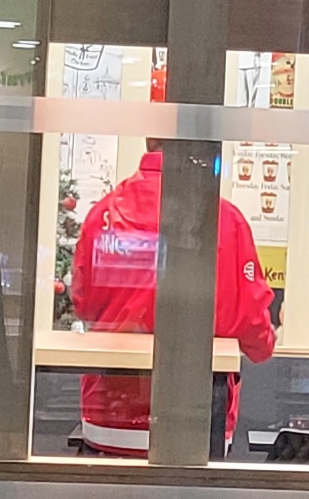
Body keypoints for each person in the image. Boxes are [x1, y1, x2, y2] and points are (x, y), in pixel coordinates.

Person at [65, 144, 277, 458]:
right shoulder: (225, 220)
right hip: (199, 419)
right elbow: (253, 327)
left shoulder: (103, 215)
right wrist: (263, 342)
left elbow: (84, 304)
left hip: (108, 417)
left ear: (149, 140)